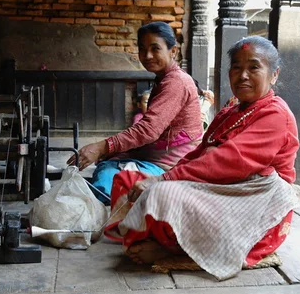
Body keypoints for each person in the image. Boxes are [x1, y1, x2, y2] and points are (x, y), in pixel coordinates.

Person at [103, 36, 300, 281]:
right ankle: (164, 239)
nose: (243, 75)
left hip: (252, 202)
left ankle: (175, 250)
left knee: (161, 195)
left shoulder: (276, 114)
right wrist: (160, 177)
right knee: (128, 181)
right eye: (236, 67)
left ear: (274, 75)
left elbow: (229, 160)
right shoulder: (231, 109)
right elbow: (200, 152)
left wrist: (165, 181)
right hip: (218, 187)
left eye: (254, 67)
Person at [67, 21, 204, 201]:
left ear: (173, 51)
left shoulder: (176, 82)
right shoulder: (164, 79)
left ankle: (105, 216)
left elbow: (148, 130)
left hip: (170, 166)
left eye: (155, 48)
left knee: (109, 176)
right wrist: (108, 150)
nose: (147, 55)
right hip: (156, 158)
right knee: (108, 162)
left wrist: (102, 146)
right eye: (142, 49)